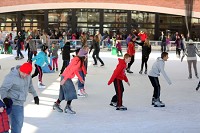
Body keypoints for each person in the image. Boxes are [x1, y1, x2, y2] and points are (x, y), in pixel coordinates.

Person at [0, 62, 39, 133]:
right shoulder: (11, 77)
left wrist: (35, 95)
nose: (24, 75)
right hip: (11, 102)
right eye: (23, 73)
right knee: (11, 124)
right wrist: (5, 99)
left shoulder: (28, 76)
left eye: (26, 74)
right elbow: (3, 89)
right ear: (20, 69)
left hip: (20, 103)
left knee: (17, 123)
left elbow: (30, 86)